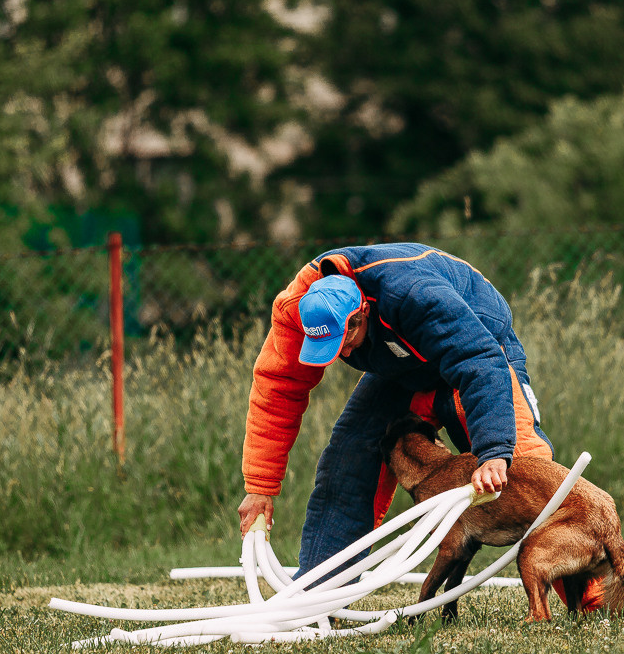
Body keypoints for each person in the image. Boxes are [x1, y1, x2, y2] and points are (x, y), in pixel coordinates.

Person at [236, 242, 554, 580]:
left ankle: (592, 592)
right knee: (350, 453)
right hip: (403, 363)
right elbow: (277, 390)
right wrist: (260, 485)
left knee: (525, 469)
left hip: (481, 347)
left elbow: (477, 361)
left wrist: (493, 451)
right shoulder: (297, 310)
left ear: (362, 314)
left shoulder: (413, 293)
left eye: (344, 341)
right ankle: (321, 593)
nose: (338, 354)